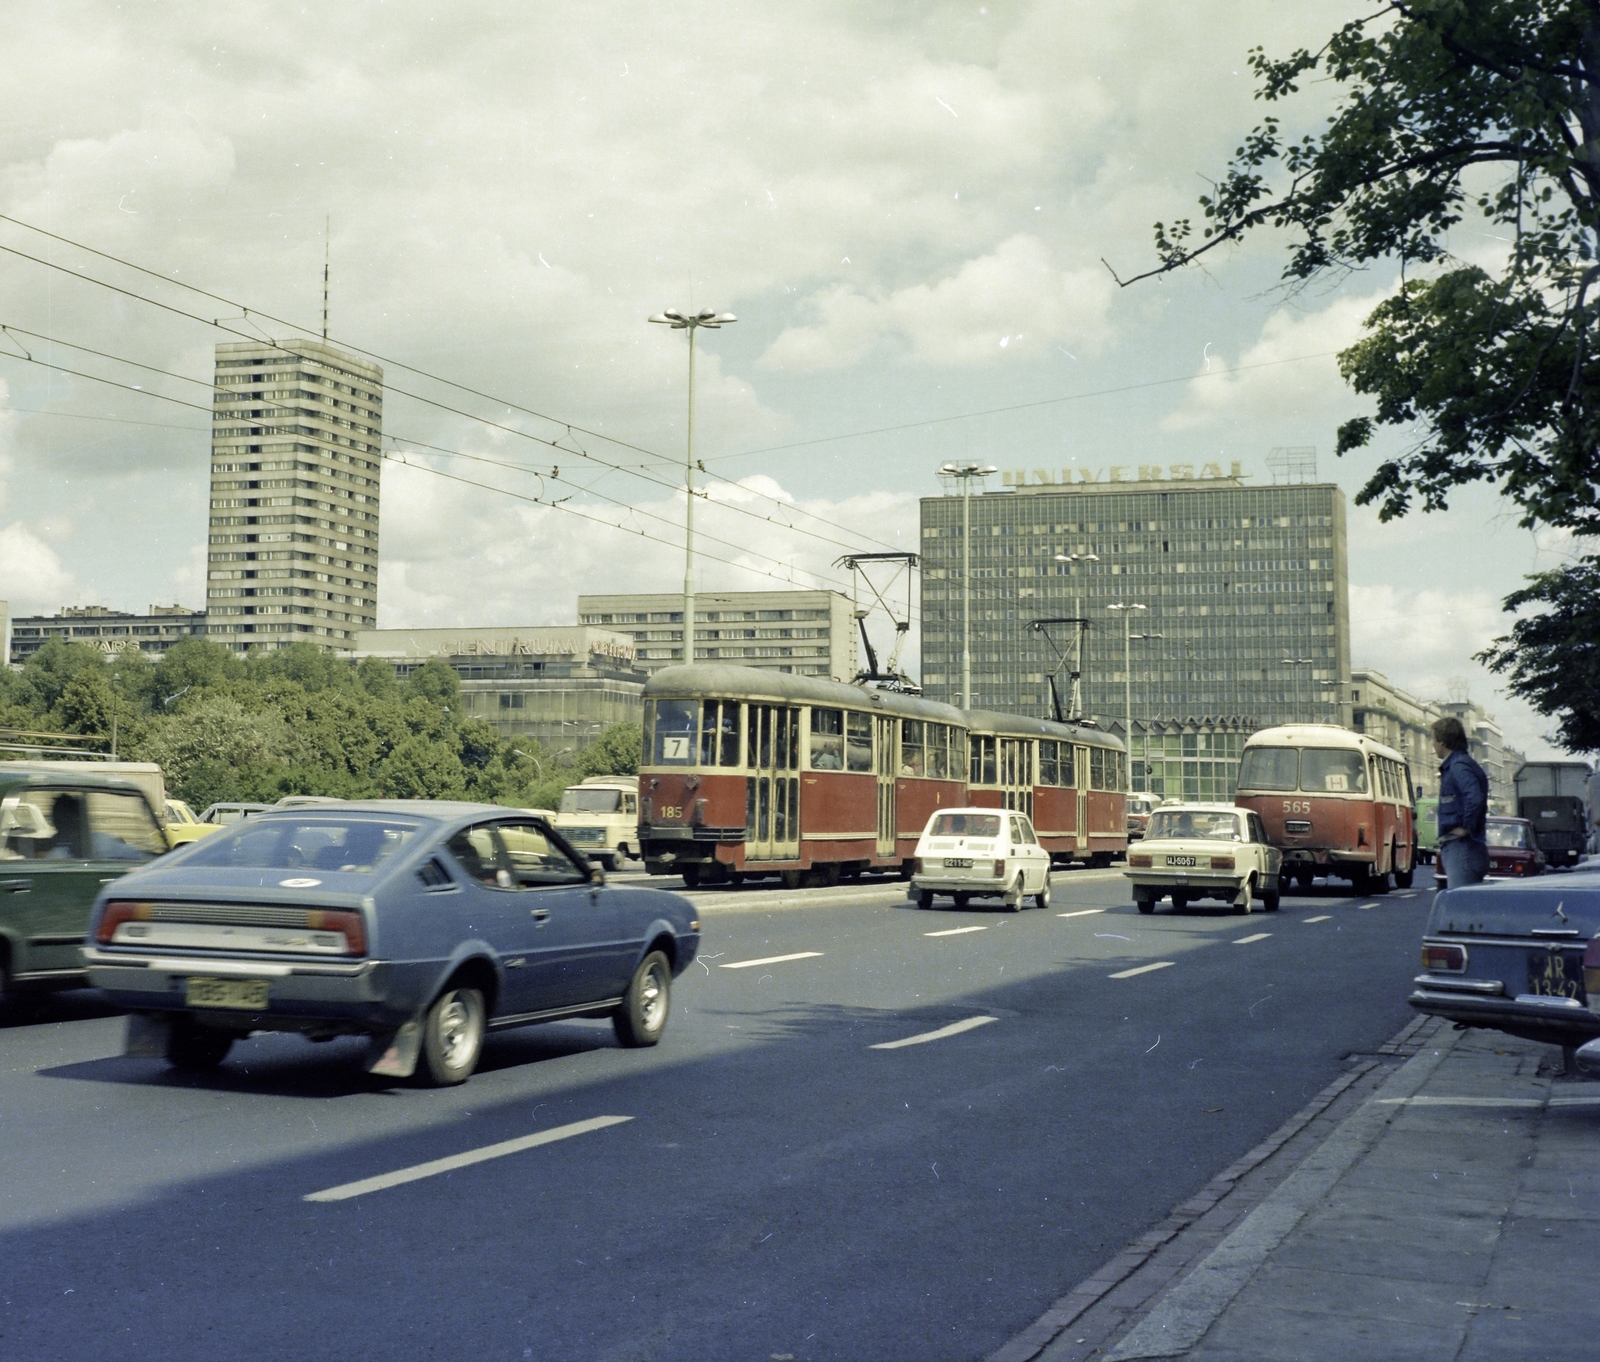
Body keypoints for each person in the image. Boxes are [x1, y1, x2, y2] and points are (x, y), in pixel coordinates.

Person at [1433, 716, 1489, 890]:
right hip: (1463, 849)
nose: (1432, 745)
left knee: (1461, 909)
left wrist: (1465, 828)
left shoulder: (1458, 766)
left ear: (1442, 741)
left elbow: (1475, 798)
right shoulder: (1461, 764)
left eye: (1433, 739)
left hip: (1462, 849)